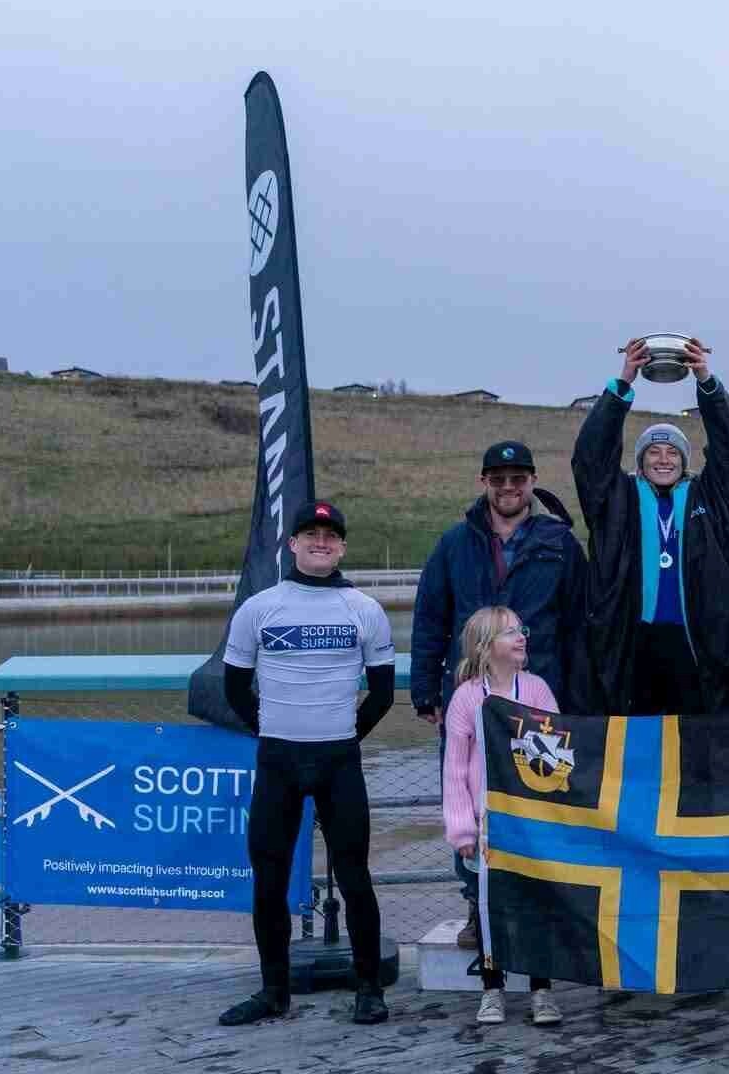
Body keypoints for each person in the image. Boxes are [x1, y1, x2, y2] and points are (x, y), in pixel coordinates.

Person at [217, 501, 398, 1028]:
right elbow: (234, 687)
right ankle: (274, 991)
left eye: (331, 535)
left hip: (339, 760)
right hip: (278, 761)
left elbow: (383, 694)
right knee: (268, 880)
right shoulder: (259, 608)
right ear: (292, 543)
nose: (321, 542)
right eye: (311, 534)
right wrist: (272, 729)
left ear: (342, 547)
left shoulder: (364, 609)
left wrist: (344, 735)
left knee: (355, 876)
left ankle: (369, 989)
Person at [411, 439, 588, 948]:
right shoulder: (454, 544)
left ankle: (537, 902)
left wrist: (577, 699)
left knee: (540, 797)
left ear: (533, 481)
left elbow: (580, 625)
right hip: (471, 697)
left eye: (518, 478)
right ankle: (477, 904)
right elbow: (430, 618)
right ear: (483, 482)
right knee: (468, 792)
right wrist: (425, 690)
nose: (508, 487)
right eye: (498, 479)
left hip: (539, 697)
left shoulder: (560, 544)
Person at [571, 336, 729, 715]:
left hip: (700, 645)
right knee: (636, 741)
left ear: (684, 460)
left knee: (696, 742)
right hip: (631, 643)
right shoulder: (617, 500)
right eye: (654, 452)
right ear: (640, 462)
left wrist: (706, 382)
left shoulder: (711, 498)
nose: (663, 459)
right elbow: (591, 456)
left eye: (672, 452)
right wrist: (623, 383)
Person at [441, 606, 563, 1028]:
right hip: (486, 827)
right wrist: (462, 829)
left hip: (531, 825)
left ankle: (542, 990)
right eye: (510, 632)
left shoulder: (537, 690)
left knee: (537, 905)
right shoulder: (465, 698)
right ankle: (492, 989)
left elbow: (559, 753)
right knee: (490, 909)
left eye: (521, 629)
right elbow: (455, 770)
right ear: (484, 646)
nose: (521, 636)